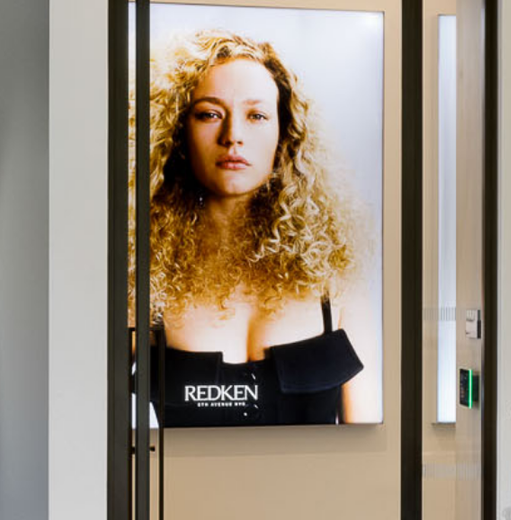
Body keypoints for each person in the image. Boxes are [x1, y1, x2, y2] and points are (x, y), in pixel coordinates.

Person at [134, 31, 378, 426]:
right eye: (210, 113)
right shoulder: (143, 278)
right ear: (178, 133)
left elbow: (368, 441)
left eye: (257, 115)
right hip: (184, 491)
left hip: (319, 489)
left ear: (285, 135)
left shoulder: (336, 276)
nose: (233, 136)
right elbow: (92, 424)